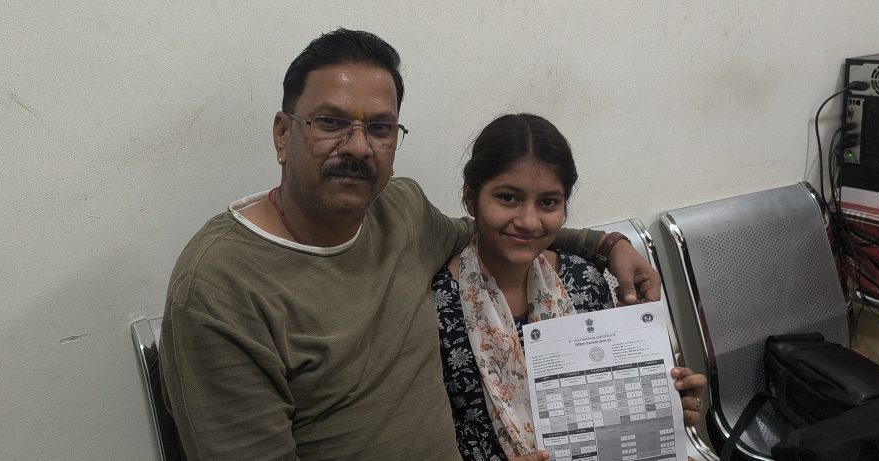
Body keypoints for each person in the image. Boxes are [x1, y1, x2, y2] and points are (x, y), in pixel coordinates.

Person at [159, 29, 663, 459]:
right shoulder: (219, 287)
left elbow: (500, 229)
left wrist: (609, 245)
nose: (359, 146)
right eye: (331, 122)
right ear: (282, 135)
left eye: (379, 127)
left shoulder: (399, 212)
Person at [433, 113, 707, 461]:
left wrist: (665, 405)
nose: (529, 221)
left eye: (548, 202)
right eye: (507, 198)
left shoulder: (584, 281)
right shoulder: (438, 305)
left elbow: (610, 404)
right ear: (470, 197)